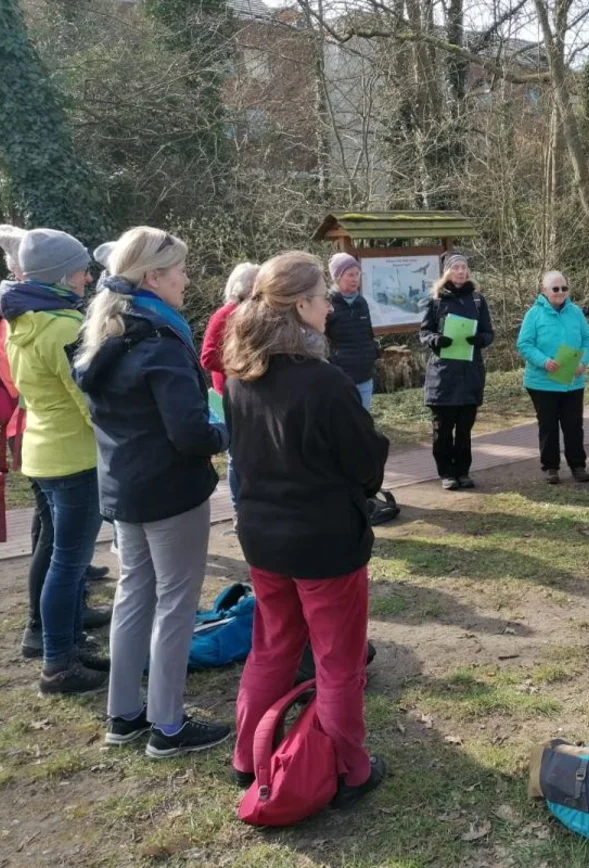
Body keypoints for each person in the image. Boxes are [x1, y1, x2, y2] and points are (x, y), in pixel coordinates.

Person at [223, 251, 390, 806]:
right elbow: (366, 462)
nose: (329, 308)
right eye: (322, 298)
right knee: (338, 661)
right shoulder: (324, 382)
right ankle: (349, 768)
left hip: (265, 538)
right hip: (323, 543)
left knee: (271, 649)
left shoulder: (242, 375)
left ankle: (248, 757)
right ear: (301, 306)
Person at [73, 227, 232, 757]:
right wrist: (225, 432)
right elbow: (189, 433)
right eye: (181, 269)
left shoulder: (105, 335)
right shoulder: (159, 343)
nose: (187, 279)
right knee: (175, 604)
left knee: (134, 595)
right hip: (169, 491)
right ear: (154, 276)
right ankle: (167, 725)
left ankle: (123, 715)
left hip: (124, 489)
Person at [0, 227, 112, 659]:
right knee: (69, 562)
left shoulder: (22, 319)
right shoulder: (64, 327)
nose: (86, 279)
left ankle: (57, 635)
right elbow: (88, 399)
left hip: (40, 448)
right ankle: (59, 658)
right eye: (80, 271)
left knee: (57, 552)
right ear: (61, 276)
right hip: (73, 457)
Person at [419, 253, 494, 491]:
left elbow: (489, 333)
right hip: (443, 375)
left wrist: (479, 339)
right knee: (442, 428)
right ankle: (446, 473)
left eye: (464, 267)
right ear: (446, 272)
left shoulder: (478, 300)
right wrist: (437, 339)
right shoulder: (435, 300)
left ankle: (463, 472)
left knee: (464, 429)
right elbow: (424, 333)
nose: (461, 271)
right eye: (456, 267)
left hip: (470, 373)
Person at [516, 270, 589, 484]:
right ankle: (550, 467)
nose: (560, 292)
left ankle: (578, 465)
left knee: (573, 425)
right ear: (544, 291)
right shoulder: (534, 314)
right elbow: (524, 344)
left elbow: (588, 340)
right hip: (542, 382)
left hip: (572, 381)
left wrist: (583, 362)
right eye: (555, 289)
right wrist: (543, 361)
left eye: (564, 288)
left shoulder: (576, 312)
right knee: (548, 426)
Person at [200, 262, 259, 512]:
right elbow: (207, 357)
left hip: (251, 393)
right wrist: (243, 366)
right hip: (231, 396)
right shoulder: (225, 314)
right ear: (244, 287)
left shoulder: (253, 313)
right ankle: (238, 509)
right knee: (237, 454)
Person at [324, 252, 381, 410]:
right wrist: (332, 362)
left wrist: (373, 351)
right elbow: (321, 339)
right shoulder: (327, 303)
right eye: (350, 275)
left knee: (363, 423)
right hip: (340, 377)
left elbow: (368, 334)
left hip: (364, 375)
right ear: (337, 277)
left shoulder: (361, 302)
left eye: (357, 274)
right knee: (343, 423)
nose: (355, 279)